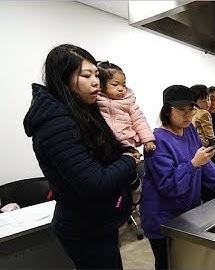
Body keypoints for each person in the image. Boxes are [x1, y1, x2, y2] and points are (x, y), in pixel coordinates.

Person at [23, 44, 141, 269]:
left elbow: (102, 150)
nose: (96, 81)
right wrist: (129, 160)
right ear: (63, 79)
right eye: (86, 75)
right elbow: (94, 183)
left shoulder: (82, 108)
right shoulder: (55, 124)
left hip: (100, 220)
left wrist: (123, 151)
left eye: (96, 74)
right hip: (84, 227)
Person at [140, 85, 215, 270]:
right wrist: (193, 163)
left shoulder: (190, 132)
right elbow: (168, 185)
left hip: (187, 214)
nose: (187, 115)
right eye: (181, 110)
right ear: (167, 111)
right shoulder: (157, 141)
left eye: (191, 110)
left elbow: (204, 165)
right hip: (163, 219)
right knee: (168, 264)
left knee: (187, 262)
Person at [96, 61, 156, 154]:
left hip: (125, 140)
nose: (121, 88)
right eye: (115, 84)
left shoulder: (129, 101)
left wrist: (147, 139)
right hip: (103, 141)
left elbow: (139, 121)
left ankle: (132, 153)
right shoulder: (96, 99)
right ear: (101, 84)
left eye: (123, 84)